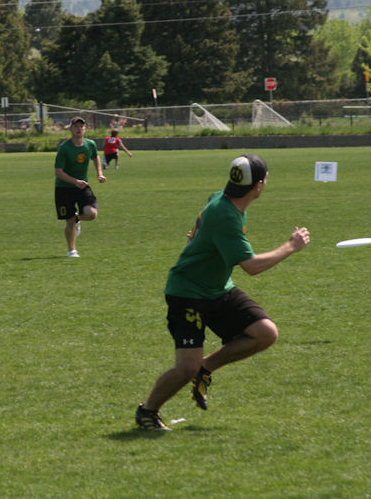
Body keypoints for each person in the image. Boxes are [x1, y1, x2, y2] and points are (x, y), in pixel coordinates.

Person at [134, 154, 311, 431]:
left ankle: (205, 368)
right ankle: (147, 411)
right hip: (188, 293)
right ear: (258, 185)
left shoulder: (223, 198)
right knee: (186, 368)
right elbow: (251, 266)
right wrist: (291, 246)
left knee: (265, 333)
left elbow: (206, 221)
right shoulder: (226, 216)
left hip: (217, 289)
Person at [54, 117, 106, 258]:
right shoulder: (64, 148)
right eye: (76, 126)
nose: (79, 129)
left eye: (81, 126)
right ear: (70, 129)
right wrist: (75, 181)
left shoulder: (90, 144)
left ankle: (77, 219)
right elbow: (58, 172)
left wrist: (100, 174)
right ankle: (72, 250)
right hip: (64, 188)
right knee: (69, 221)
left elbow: (95, 157)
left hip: (82, 186)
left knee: (91, 214)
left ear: (85, 129)